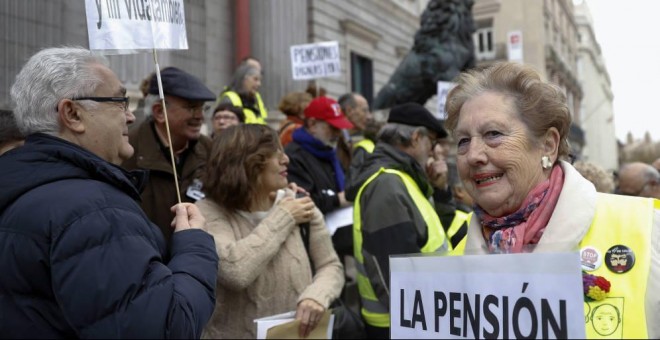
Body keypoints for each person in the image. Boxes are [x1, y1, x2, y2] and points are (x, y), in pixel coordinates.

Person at [0, 46, 218, 338]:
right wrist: (194, 246)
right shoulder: (94, 212)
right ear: (72, 113)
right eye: (119, 101)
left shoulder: (21, 185)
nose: (130, 116)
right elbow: (166, 328)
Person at [443, 61, 660, 338]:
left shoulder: (646, 229)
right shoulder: (455, 254)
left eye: (493, 134)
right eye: (463, 140)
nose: (473, 155)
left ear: (548, 144)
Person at [197, 124, 344, 339]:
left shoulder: (299, 205)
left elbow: (331, 265)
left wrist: (317, 296)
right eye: (275, 154)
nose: (286, 160)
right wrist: (283, 217)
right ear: (247, 163)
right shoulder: (206, 213)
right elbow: (236, 271)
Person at [345, 102, 451, 338]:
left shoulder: (401, 177)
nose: (434, 151)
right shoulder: (387, 184)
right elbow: (395, 275)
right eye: (431, 142)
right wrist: (420, 326)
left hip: (414, 319)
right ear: (415, 137)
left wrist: (440, 189)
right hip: (402, 325)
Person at [123, 67, 216, 244]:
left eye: (202, 108)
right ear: (159, 112)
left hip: (195, 258)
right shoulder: (128, 152)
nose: (200, 116)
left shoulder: (209, 149)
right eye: (191, 108)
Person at [285, 96, 354, 214]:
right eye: (333, 128)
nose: (338, 134)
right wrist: (337, 200)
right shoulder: (294, 157)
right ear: (312, 125)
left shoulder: (328, 150)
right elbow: (302, 201)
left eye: (339, 128)